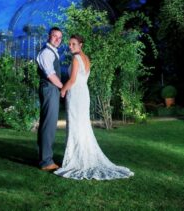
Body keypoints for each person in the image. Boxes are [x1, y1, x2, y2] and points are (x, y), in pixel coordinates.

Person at [54, 34, 134, 180]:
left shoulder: (76, 58)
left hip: (76, 94)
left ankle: (76, 160)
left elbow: (72, 80)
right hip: (84, 94)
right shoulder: (86, 58)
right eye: (70, 44)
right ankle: (80, 156)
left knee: (76, 125)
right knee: (82, 125)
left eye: (73, 44)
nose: (70, 46)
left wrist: (63, 90)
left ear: (80, 45)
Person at [36, 27, 63, 171]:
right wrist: (62, 88)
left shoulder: (52, 52)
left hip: (50, 89)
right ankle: (46, 162)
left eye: (60, 37)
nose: (57, 39)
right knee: (49, 125)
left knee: (47, 124)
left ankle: (44, 158)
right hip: (50, 88)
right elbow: (50, 75)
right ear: (49, 36)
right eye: (55, 36)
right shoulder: (47, 52)